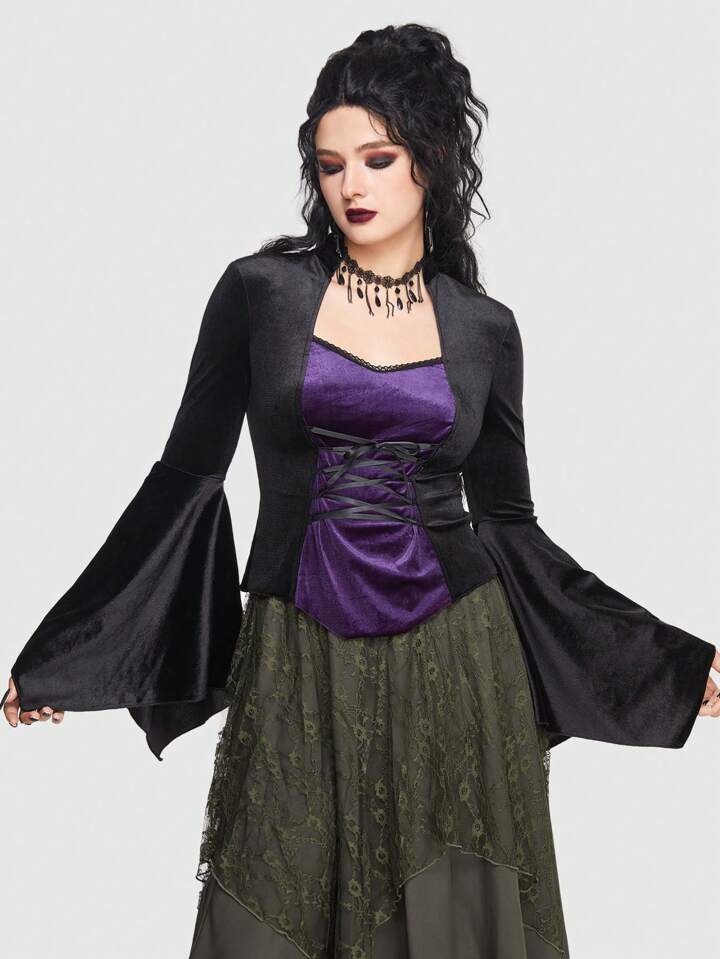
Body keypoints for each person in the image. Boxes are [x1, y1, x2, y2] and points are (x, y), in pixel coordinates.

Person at [4, 22, 718, 959]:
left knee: (448, 928)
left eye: (378, 159)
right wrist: (66, 651)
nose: (352, 185)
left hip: (457, 663)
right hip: (297, 658)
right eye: (332, 163)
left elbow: (511, 529)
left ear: (430, 159)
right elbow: (185, 480)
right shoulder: (260, 294)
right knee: (267, 916)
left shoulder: (484, 329)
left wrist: (664, 667)